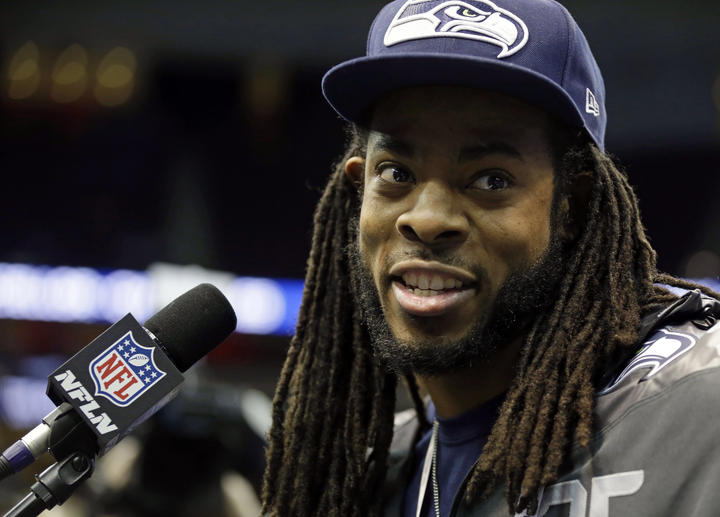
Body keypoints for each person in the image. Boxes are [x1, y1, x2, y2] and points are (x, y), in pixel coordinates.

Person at [260, 0, 720, 515]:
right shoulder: (363, 480)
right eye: (396, 173)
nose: (427, 219)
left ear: (574, 205)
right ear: (357, 189)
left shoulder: (698, 405)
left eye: (491, 180)